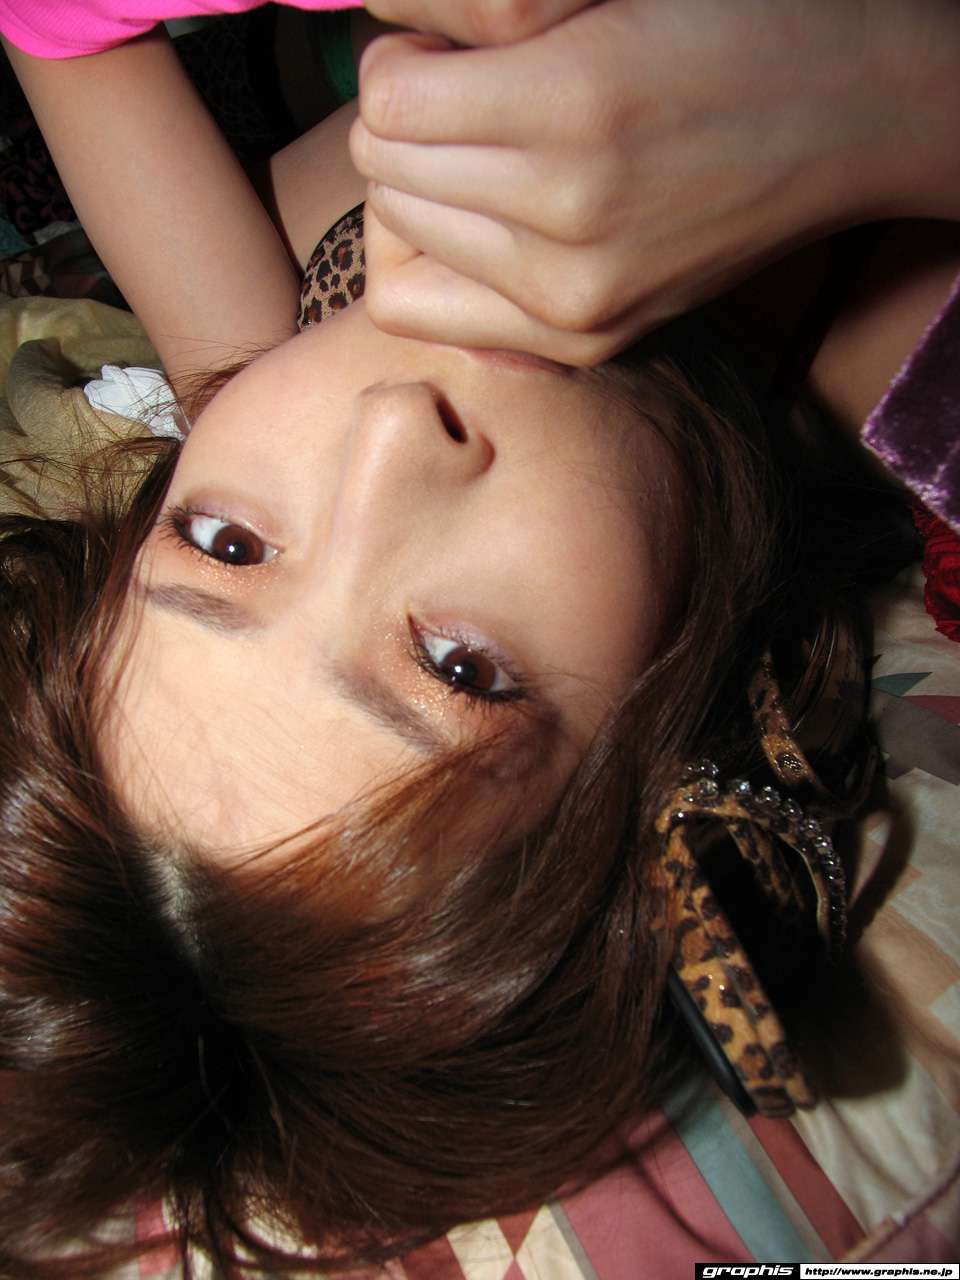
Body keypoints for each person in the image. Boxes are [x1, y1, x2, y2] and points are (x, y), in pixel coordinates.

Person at [0, 5, 948, 1276]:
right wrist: (886, 97)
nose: (390, 427)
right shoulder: (912, 353)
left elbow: (59, 30)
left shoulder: (277, 348)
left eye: (226, 546)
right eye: (458, 667)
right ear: (666, 754)